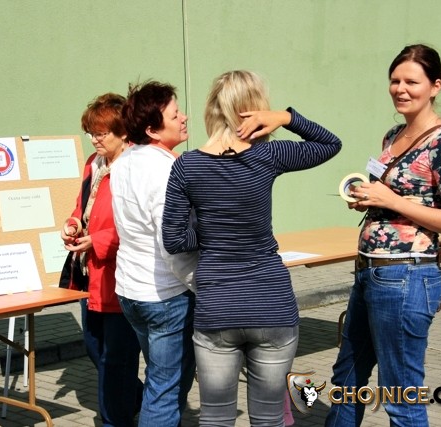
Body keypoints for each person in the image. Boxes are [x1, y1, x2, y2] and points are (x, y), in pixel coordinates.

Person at [162, 70, 342, 426]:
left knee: (215, 418)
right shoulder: (268, 155)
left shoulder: (187, 165)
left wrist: (212, 230)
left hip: (217, 308)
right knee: (270, 418)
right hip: (272, 305)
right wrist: (286, 117)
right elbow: (329, 143)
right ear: (256, 110)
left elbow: (174, 240)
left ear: (211, 108)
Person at [325, 44, 441, 426]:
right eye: (395, 80)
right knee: (346, 379)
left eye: (412, 81)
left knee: (400, 395)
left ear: (435, 86)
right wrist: (369, 200)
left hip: (406, 276)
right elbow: (392, 197)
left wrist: (392, 200)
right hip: (369, 270)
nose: (400, 89)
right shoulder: (393, 135)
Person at [110, 81, 198, 427]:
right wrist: (203, 286)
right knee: (165, 391)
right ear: (151, 129)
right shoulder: (165, 170)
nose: (184, 117)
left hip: (132, 291)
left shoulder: (125, 160)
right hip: (164, 295)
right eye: (175, 115)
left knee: (162, 384)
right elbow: (172, 243)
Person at [60, 93, 142, 427]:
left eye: (101, 132)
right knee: (95, 349)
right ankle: (142, 400)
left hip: (121, 276)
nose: (94, 139)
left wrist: (99, 240)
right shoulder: (94, 164)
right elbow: (83, 209)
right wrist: (72, 225)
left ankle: (116, 419)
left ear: (123, 132)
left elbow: (140, 225)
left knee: (116, 358)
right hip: (90, 274)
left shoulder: (134, 167)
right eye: (90, 132)